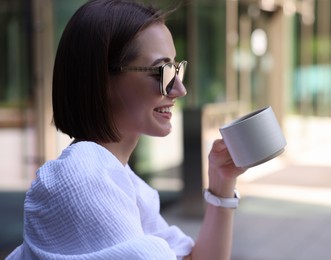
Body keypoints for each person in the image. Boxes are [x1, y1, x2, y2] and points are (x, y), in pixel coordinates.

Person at [7, 0, 247, 259]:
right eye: (163, 72)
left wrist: (222, 182)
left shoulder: (118, 177)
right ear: (102, 79)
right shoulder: (83, 175)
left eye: (177, 69)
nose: (179, 89)